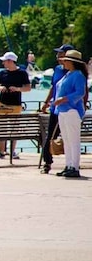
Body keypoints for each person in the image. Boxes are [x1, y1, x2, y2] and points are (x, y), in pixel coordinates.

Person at [53, 49, 88, 178]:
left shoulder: (78, 75)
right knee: (67, 140)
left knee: (73, 140)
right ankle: (69, 165)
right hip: (62, 110)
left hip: (72, 110)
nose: (64, 63)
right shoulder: (68, 74)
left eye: (66, 61)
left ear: (71, 62)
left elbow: (80, 93)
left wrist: (64, 99)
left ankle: (75, 166)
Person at [40, 43, 73, 174]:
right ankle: (47, 163)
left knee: (68, 137)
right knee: (50, 136)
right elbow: (53, 87)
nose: (58, 56)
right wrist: (46, 102)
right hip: (55, 109)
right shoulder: (58, 69)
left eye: (61, 53)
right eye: (58, 53)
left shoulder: (74, 72)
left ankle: (70, 164)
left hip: (68, 109)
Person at [0, 51, 31, 159]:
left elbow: (28, 88)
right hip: (2, 103)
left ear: (10, 61)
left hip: (15, 104)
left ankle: (12, 151)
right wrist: (1, 88)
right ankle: (1, 151)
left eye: (4, 61)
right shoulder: (2, 73)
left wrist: (17, 89)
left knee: (14, 128)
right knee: (0, 128)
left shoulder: (22, 73)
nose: (3, 63)